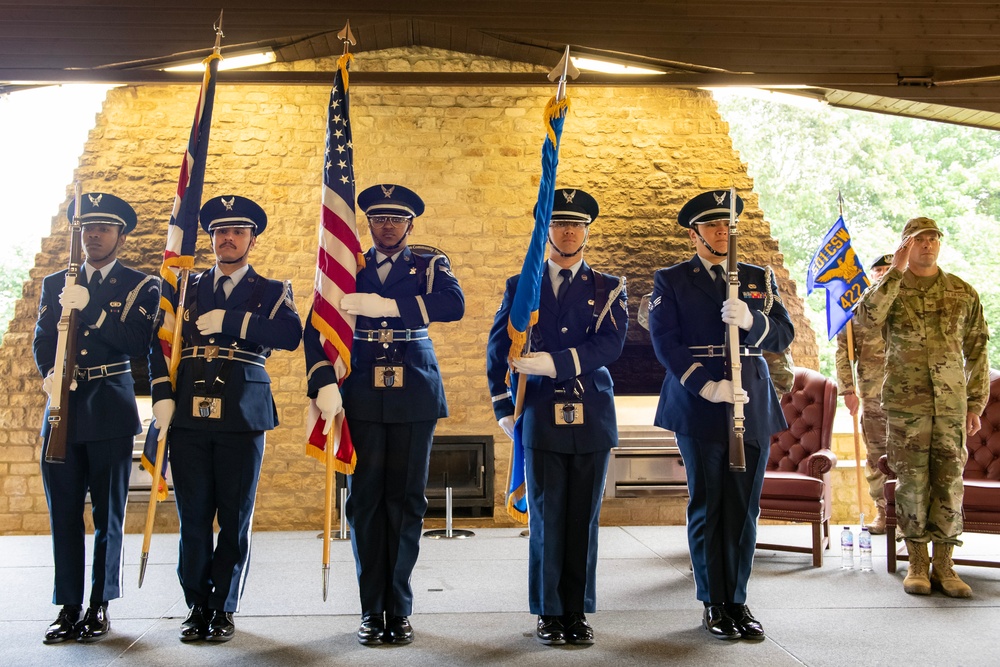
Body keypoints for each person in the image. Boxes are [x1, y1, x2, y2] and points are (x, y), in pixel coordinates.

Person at [304, 184, 464, 646]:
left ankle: (400, 607)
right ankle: (372, 609)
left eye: (396, 219)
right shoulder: (346, 266)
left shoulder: (429, 264)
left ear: (410, 224)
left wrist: (391, 307)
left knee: (407, 502)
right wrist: (323, 382)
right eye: (379, 219)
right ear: (368, 224)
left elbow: (454, 304)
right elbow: (314, 328)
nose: (387, 225)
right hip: (361, 392)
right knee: (365, 503)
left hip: (413, 389)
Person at [148, 195, 303, 642]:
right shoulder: (183, 286)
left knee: (234, 517)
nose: (227, 239)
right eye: (219, 232)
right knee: (193, 516)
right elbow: (155, 341)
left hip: (242, 411)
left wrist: (233, 321)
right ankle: (196, 604)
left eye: (237, 232)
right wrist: (161, 395)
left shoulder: (272, 290)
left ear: (252, 239)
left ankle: (223, 607)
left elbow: (290, 334)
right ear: (212, 238)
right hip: (190, 412)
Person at [647, 190, 793, 641]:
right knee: (710, 504)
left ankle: (738, 600)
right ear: (695, 234)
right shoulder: (672, 279)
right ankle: (713, 602)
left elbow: (783, 333)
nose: (721, 232)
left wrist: (753, 321)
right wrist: (705, 385)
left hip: (751, 398)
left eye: (727, 225)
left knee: (744, 507)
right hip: (700, 401)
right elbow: (665, 342)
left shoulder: (755, 277)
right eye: (712, 226)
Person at [486, 188, 628, 646]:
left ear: (586, 231)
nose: (568, 231)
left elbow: (610, 345)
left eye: (577, 225)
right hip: (541, 413)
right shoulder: (521, 284)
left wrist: (554, 362)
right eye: (559, 223)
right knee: (547, 516)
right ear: (546, 231)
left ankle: (577, 610)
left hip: (590, 412)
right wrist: (504, 406)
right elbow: (497, 346)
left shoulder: (608, 288)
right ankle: (550, 611)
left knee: (583, 516)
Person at [33, 193, 160, 644]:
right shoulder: (54, 283)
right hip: (62, 408)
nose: (94, 235)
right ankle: (68, 606)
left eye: (104, 228)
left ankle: (100, 604)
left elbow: (136, 342)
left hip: (108, 404)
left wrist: (89, 307)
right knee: (63, 513)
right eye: (88, 228)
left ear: (120, 236)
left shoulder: (141, 285)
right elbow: (44, 338)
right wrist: (50, 373)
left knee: (109, 515)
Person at [857, 217, 989, 598]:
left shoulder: (962, 292)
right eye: (919, 240)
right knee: (912, 485)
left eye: (933, 239)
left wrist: (975, 404)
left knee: (949, 485)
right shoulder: (890, 289)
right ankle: (916, 563)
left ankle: (946, 565)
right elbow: (865, 319)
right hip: (905, 406)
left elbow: (978, 351)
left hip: (950, 407)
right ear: (905, 246)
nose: (928, 245)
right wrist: (894, 272)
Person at [835, 253, 892, 534]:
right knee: (877, 457)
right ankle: (883, 512)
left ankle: (910, 517)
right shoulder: (858, 312)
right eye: (878, 270)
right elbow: (843, 353)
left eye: (888, 269)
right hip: (873, 398)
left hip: (913, 400)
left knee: (913, 458)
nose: (883, 274)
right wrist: (847, 389)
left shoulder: (911, 309)